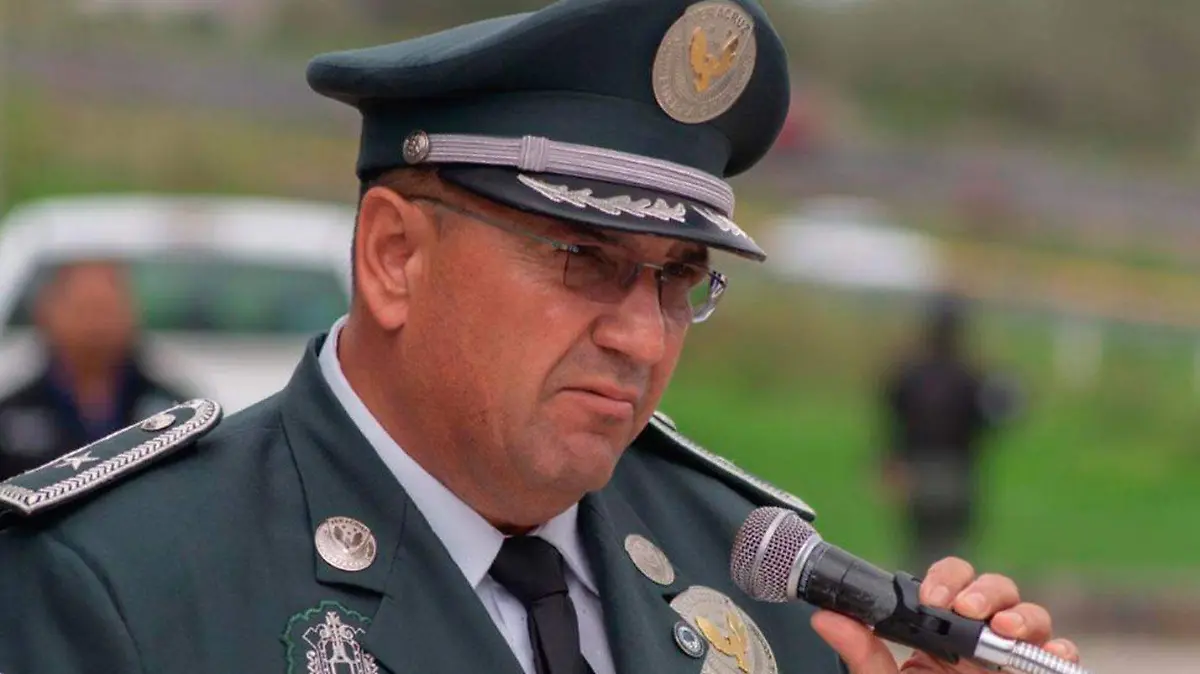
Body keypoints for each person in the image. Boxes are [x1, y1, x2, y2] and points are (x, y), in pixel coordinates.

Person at [0, 2, 1077, 673]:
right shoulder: (120, 581)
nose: (642, 335)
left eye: (678, 278)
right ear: (394, 257)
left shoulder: (743, 559)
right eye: (584, 260)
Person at [0, 259, 187, 481]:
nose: (95, 326)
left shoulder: (174, 410)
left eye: (106, 311)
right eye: (82, 311)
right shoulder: (11, 415)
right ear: (46, 315)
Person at [881, 295, 1020, 573]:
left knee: (918, 547)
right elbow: (991, 420)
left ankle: (913, 593)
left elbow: (893, 421)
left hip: (918, 471)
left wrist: (891, 462)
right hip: (957, 472)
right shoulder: (970, 377)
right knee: (953, 554)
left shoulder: (910, 374)